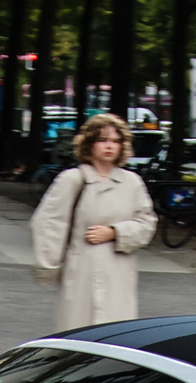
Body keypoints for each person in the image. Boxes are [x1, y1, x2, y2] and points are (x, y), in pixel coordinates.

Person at [31, 114, 157, 330]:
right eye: (103, 140)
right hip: (81, 271)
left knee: (116, 335)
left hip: (119, 272)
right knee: (79, 334)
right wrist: (49, 266)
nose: (110, 147)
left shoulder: (132, 182)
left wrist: (115, 232)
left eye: (116, 141)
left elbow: (147, 222)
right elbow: (50, 222)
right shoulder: (72, 179)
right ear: (89, 144)